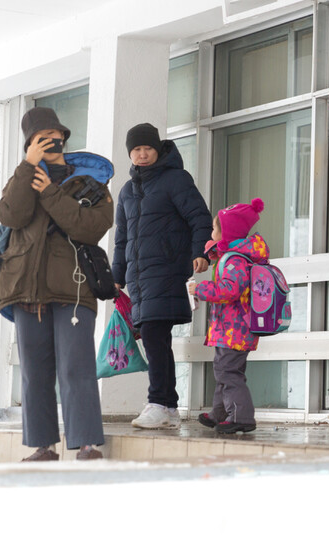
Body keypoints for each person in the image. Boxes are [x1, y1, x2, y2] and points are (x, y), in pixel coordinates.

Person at [0, 107, 115, 461]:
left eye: (52, 135)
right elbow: (10, 215)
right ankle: (43, 446)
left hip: (74, 288)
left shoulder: (91, 183)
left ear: (63, 137)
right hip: (24, 289)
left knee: (76, 366)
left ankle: (88, 442)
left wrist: (50, 191)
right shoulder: (23, 178)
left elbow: (90, 227)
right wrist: (27, 168)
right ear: (28, 144)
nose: (48, 141)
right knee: (34, 373)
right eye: (38, 138)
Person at [112, 123, 213, 429]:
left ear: (158, 149)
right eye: (136, 150)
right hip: (140, 278)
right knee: (156, 340)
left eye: (147, 149)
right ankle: (167, 407)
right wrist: (117, 275)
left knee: (156, 337)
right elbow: (122, 238)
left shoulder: (175, 180)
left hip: (167, 271)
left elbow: (199, 217)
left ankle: (159, 402)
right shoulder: (127, 191)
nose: (142, 155)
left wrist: (201, 253)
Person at [188, 198, 268, 434]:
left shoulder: (234, 260)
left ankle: (241, 416)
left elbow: (229, 291)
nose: (211, 233)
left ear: (227, 232)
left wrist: (200, 290)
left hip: (235, 329)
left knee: (228, 372)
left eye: (214, 228)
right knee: (223, 369)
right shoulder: (231, 257)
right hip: (231, 329)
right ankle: (220, 412)